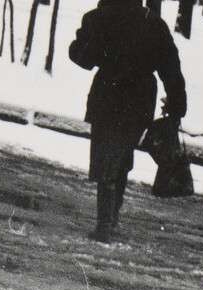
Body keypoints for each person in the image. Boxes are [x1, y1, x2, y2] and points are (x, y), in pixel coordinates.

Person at [69, 0, 187, 242]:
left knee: (106, 158)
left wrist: (77, 44)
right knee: (122, 157)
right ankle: (111, 218)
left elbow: (83, 58)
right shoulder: (153, 23)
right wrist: (177, 104)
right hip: (139, 100)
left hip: (108, 95)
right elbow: (171, 67)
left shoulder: (99, 17)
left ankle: (104, 224)